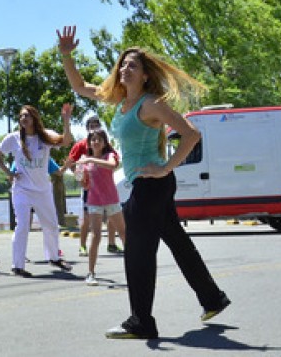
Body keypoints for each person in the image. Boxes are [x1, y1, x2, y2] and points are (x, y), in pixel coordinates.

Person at [58, 25, 230, 339]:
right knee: (178, 243)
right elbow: (81, 86)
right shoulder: (121, 100)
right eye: (122, 64)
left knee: (137, 251)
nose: (125, 68)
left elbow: (192, 135)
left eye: (132, 65)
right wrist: (67, 55)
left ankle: (141, 322)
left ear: (145, 75)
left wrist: (165, 168)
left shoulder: (150, 104)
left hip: (151, 184)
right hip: (154, 186)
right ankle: (212, 298)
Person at [0, 104, 73, 278]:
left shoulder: (45, 136)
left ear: (34, 118)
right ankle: (17, 266)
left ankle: (54, 258)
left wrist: (66, 121)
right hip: (22, 190)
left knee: (51, 225)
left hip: (43, 190)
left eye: (27, 115)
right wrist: (9, 173)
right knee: (22, 226)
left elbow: (66, 141)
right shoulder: (13, 138)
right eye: (21, 116)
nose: (23, 119)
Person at [64, 115, 123, 256]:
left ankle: (112, 244)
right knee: (87, 217)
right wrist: (80, 179)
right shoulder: (81, 145)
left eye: (97, 125)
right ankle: (83, 246)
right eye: (91, 126)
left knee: (112, 216)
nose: (94, 128)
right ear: (87, 129)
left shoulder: (105, 145)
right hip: (90, 190)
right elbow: (71, 163)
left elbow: (114, 163)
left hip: (107, 188)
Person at [76, 130, 127, 286]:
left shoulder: (109, 156)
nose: (96, 142)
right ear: (89, 143)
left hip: (111, 200)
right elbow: (82, 181)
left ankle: (135, 270)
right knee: (96, 236)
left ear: (104, 143)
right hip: (94, 201)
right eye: (93, 140)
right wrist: (80, 174)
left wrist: (91, 159)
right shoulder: (86, 161)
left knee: (124, 233)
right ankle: (91, 273)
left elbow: (112, 166)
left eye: (99, 139)